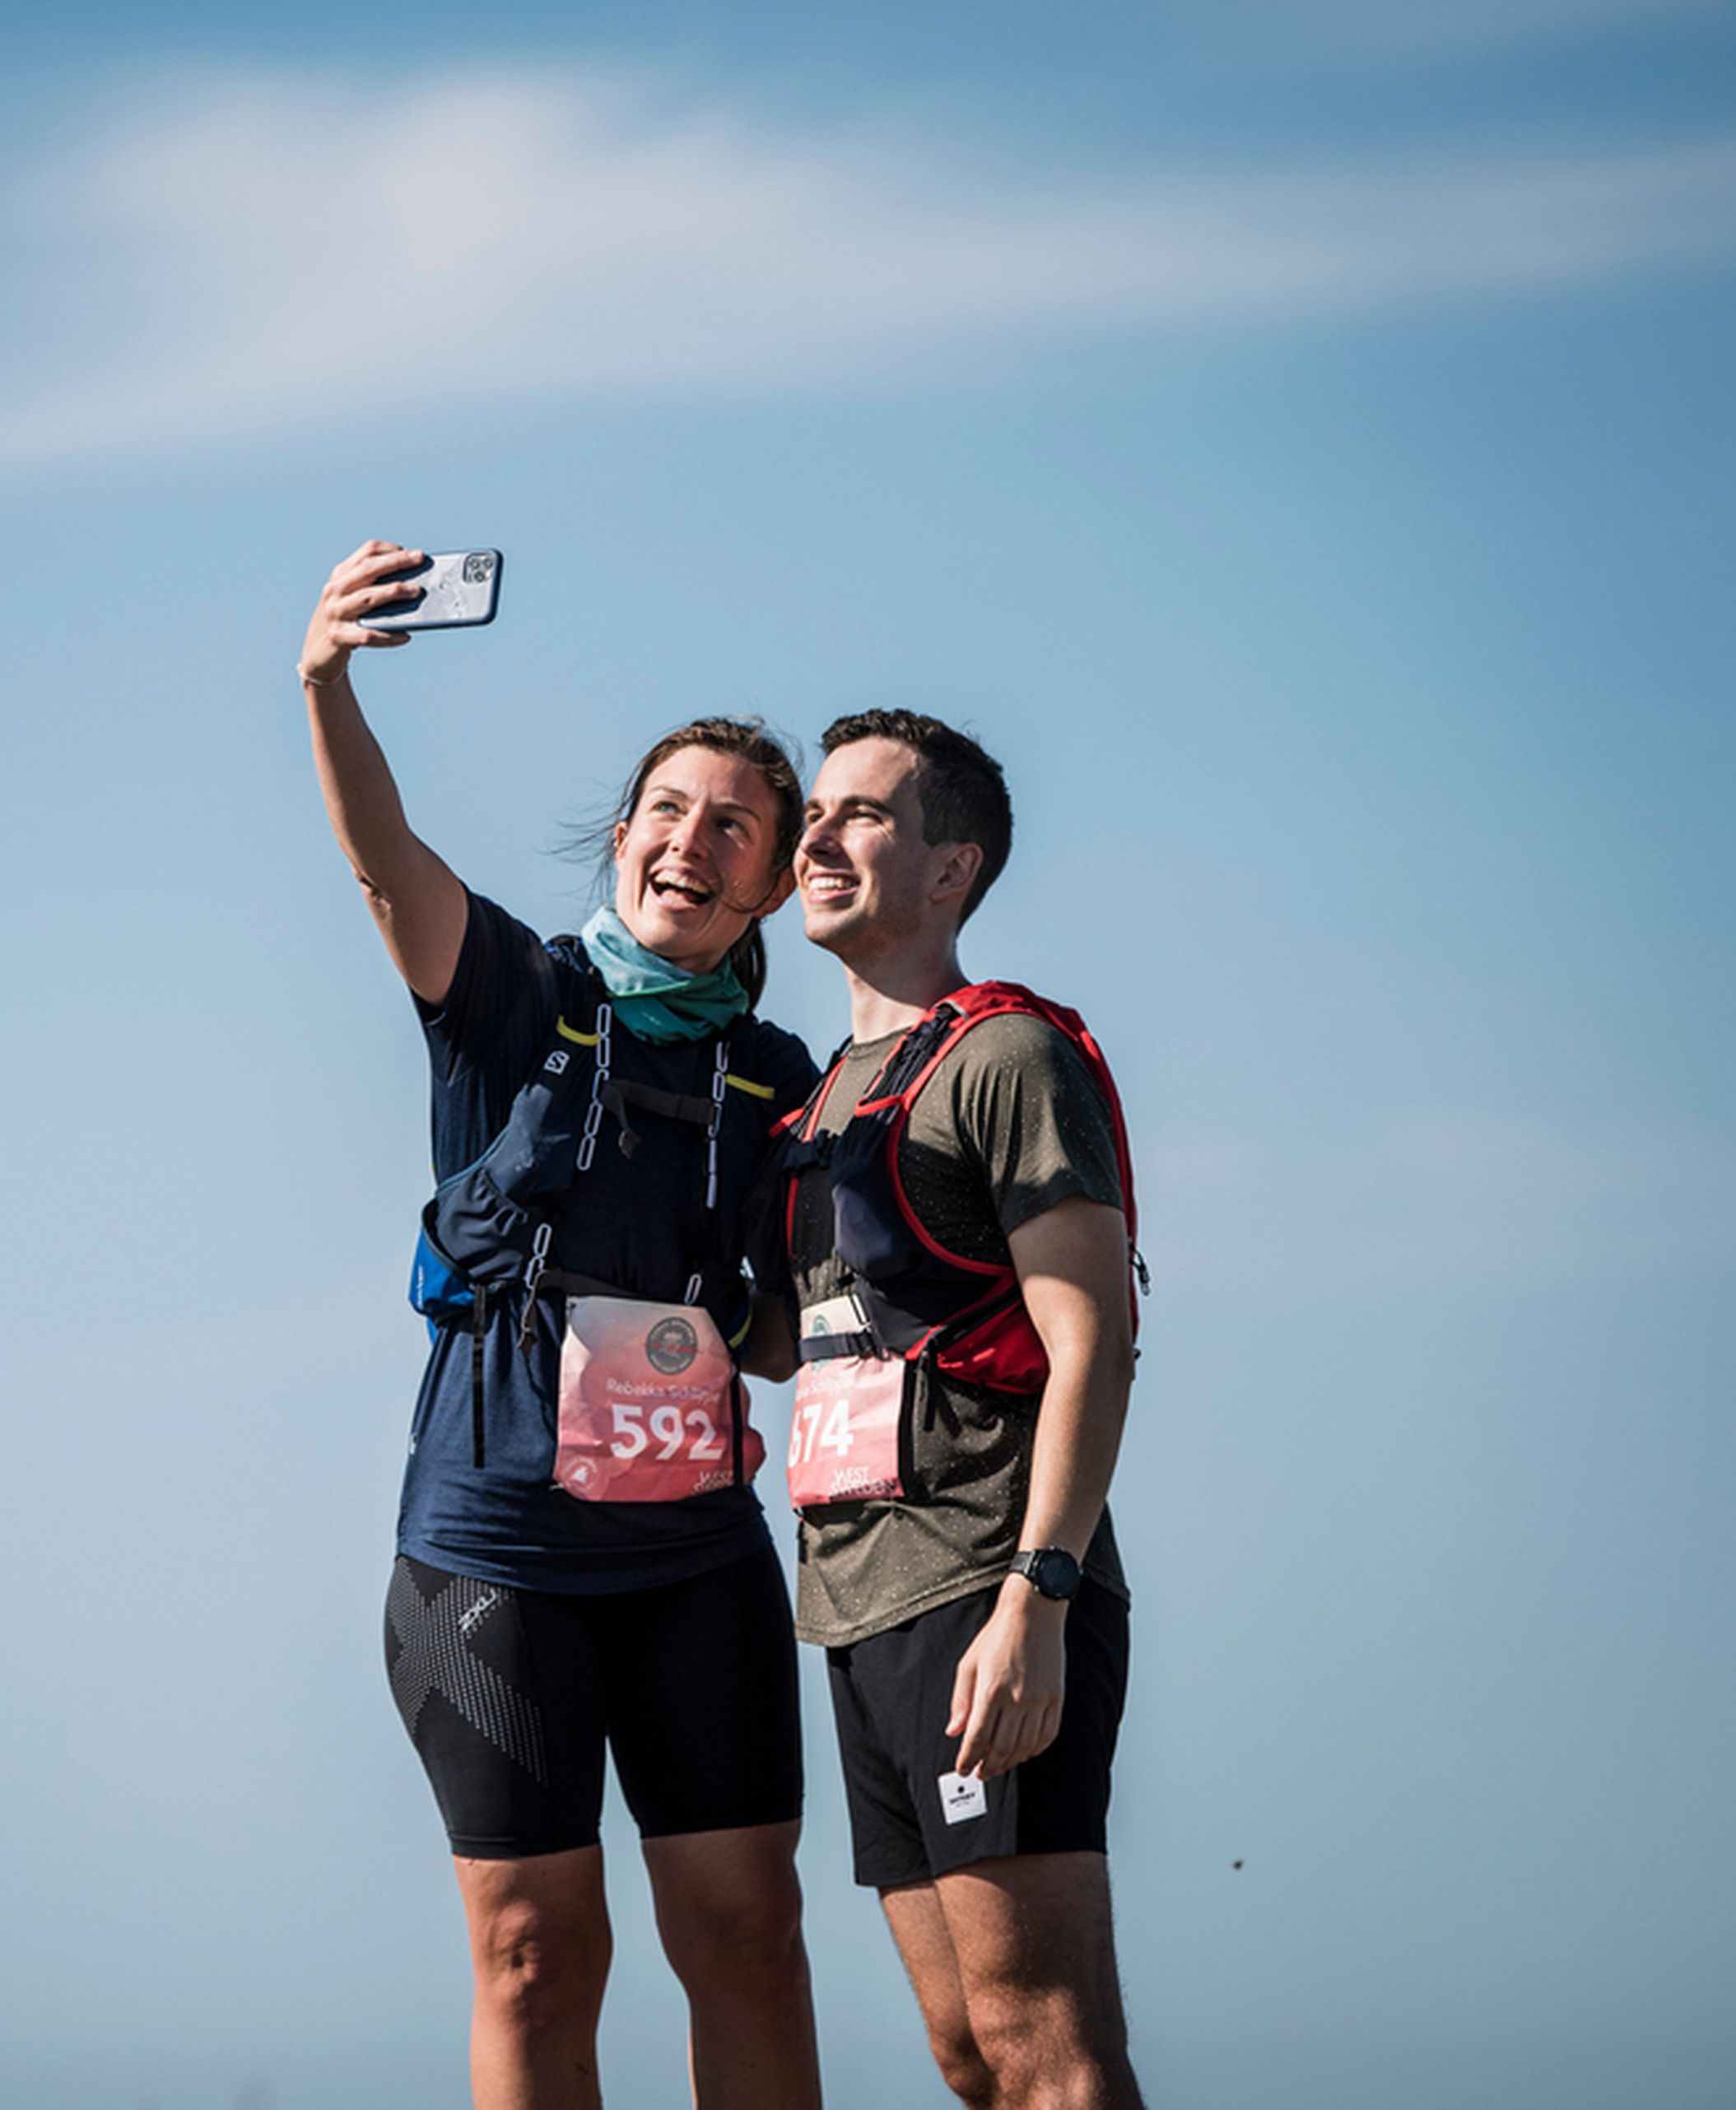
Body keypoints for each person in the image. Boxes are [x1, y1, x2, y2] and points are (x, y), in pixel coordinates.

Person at [299, 541, 826, 2110]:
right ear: (621, 840)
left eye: (734, 825)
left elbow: (795, 1331)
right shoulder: (512, 995)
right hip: (497, 1553)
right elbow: (383, 860)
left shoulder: (782, 1078)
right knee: (537, 1952)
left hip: (695, 1555)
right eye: (668, 809)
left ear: (773, 884)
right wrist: (325, 682)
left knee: (750, 1935)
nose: (693, 840)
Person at [778, 710, 1147, 2110]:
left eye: (862, 815)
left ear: (952, 867)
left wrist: (1038, 1595)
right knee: (969, 2054)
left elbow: (1095, 1337)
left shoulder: (1003, 1060)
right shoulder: (821, 1099)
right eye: (815, 812)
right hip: (856, 1607)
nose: (817, 837)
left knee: (1042, 2042)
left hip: (987, 1594)